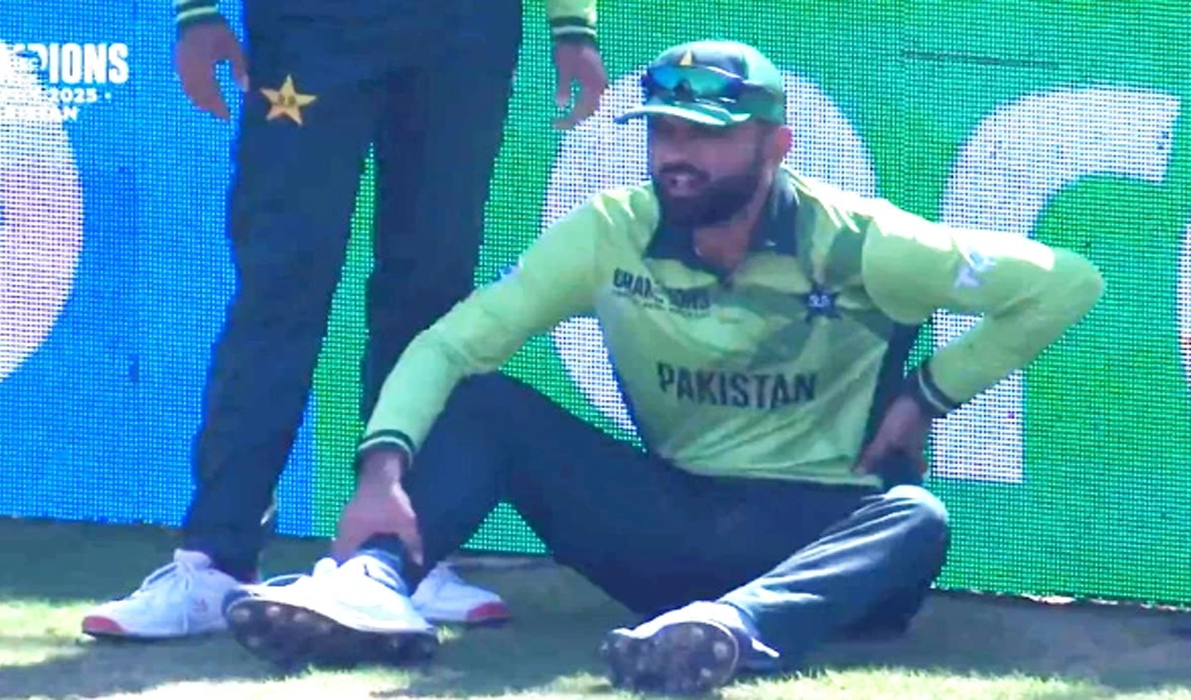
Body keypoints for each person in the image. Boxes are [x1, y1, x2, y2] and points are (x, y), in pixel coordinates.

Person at [221, 40, 1105, 692]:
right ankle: (373, 584)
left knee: (915, 517)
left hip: (813, 534)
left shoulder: (862, 243)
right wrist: (382, 474)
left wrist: (926, 396)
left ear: (776, 146)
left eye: (709, 136)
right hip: (665, 523)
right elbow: (450, 343)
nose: (678, 156)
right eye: (665, 132)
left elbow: (1067, 282)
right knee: (484, 404)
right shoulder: (610, 231)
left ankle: (731, 631)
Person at [80, 0, 608, 638]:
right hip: (314, 25)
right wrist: (197, 13)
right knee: (280, 288)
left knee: (432, 293)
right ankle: (216, 559)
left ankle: (402, 557)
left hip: (464, 29)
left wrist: (573, 25)